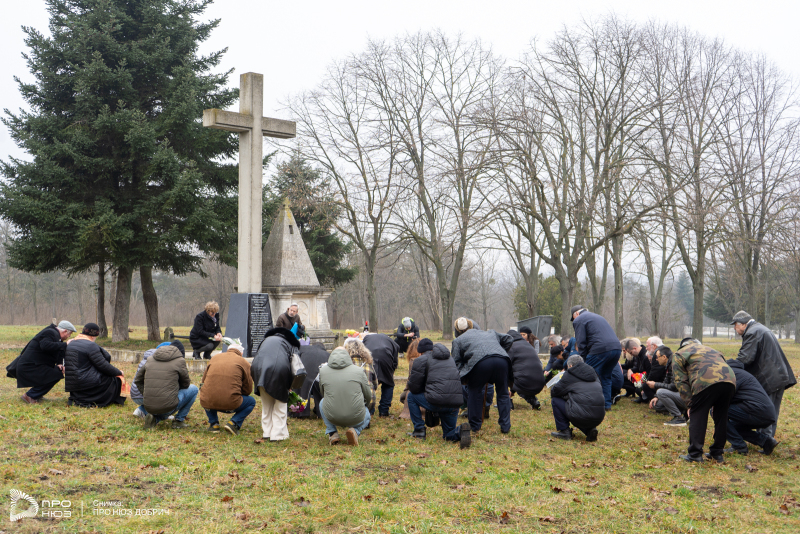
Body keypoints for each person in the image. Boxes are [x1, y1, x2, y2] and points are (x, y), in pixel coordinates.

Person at [731, 310, 796, 438]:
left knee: (765, 410)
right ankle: (768, 439)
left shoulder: (752, 332)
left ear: (743, 324)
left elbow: (745, 358)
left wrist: (727, 366)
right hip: (779, 375)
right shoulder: (759, 328)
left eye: (735, 325)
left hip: (768, 378)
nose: (734, 328)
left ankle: (765, 439)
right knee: (773, 410)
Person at [673, 338, 736, 463]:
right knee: (721, 416)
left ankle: (695, 454)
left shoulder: (679, 354)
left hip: (705, 380)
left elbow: (680, 381)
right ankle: (717, 453)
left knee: (698, 415)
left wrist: (690, 404)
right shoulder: (711, 349)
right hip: (729, 380)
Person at [451, 317, 513, 434]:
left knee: (474, 392)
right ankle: (505, 426)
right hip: (502, 361)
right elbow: (509, 339)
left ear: (457, 331)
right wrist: (500, 350)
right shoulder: (490, 332)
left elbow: (456, 362)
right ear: (471, 325)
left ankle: (475, 426)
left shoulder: (458, 341)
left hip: (480, 363)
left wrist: (465, 372)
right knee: (503, 393)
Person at [406, 339, 471, 448]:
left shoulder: (420, 360)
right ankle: (460, 431)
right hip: (454, 403)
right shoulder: (450, 359)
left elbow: (413, 388)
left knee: (411, 397)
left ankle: (419, 430)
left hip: (436, 401)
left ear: (420, 352)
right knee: (448, 434)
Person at [251, 327, 300, 442]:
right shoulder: (290, 343)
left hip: (257, 369)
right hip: (279, 370)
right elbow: (296, 365)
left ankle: (267, 432)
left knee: (266, 404)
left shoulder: (265, 340)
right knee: (280, 403)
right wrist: (290, 384)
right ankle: (278, 435)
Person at [134, 341, 197, 429]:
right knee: (194, 389)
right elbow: (186, 384)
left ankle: (154, 419)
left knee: (163, 406)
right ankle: (179, 420)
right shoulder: (180, 361)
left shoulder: (150, 359)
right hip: (168, 405)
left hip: (148, 406)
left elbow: (138, 380)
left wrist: (146, 394)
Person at [571, 306, 622, 410]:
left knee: (587, 376)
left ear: (576, 314)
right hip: (616, 348)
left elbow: (581, 342)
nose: (574, 321)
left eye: (573, 318)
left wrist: (583, 361)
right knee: (606, 377)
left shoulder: (579, 319)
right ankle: (606, 405)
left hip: (600, 349)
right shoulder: (598, 317)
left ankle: (588, 404)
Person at [318, 347, 372, 446]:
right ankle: (355, 431)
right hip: (356, 417)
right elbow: (368, 395)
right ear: (348, 356)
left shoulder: (323, 371)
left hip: (332, 416)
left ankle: (332, 433)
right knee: (367, 414)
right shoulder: (359, 371)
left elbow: (323, 392)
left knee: (322, 402)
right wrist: (365, 405)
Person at [64, 323, 126, 408]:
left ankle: (79, 398)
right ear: (93, 336)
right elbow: (103, 366)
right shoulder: (90, 345)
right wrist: (119, 372)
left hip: (73, 385)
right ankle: (100, 400)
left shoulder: (71, 343)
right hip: (86, 382)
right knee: (116, 379)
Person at [725, 359, 778, 456]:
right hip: (767, 414)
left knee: (718, 411)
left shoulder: (732, 375)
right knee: (733, 426)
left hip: (757, 411)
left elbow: (726, 397)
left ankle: (739, 446)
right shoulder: (743, 374)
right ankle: (766, 441)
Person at [199, 343, 256, 435]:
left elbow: (203, 381)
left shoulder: (214, 358)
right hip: (232, 403)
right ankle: (233, 423)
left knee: (206, 394)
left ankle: (214, 424)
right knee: (251, 402)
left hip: (209, 402)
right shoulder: (244, 362)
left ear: (228, 350)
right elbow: (248, 389)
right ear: (241, 353)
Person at [15, 320, 76, 404]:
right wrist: (65, 344)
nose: (69, 336)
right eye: (70, 334)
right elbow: (45, 345)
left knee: (57, 371)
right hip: (29, 367)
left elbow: (60, 350)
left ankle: (37, 395)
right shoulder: (49, 333)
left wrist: (59, 363)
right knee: (56, 374)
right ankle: (30, 395)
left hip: (36, 365)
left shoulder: (56, 335)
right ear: (65, 331)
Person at [549, 355, 605, 441]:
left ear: (571, 366)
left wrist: (565, 396)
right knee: (580, 409)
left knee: (556, 401)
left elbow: (554, 392)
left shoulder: (570, 374)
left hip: (581, 415)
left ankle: (565, 431)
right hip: (599, 416)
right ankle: (589, 430)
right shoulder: (593, 373)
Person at [647, 346, 687, 426]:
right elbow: (666, 381)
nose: (656, 359)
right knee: (657, 405)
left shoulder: (674, 365)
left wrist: (655, 384)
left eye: (658, 357)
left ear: (664, 357)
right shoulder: (670, 363)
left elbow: (673, 387)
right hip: (682, 395)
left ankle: (679, 417)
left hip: (686, 397)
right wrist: (656, 397)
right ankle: (684, 413)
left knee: (661, 392)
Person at [130, 341, 172, 418]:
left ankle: (141, 410)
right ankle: (163, 414)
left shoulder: (147, 358)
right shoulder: (160, 361)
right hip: (145, 396)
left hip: (134, 394)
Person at [362, 332, 400, 417]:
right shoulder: (392, 342)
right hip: (386, 356)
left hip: (369, 355)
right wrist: (390, 373)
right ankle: (384, 411)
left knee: (368, 383)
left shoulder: (366, 338)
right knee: (388, 384)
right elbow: (395, 361)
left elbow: (362, 351)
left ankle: (369, 410)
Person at [506, 329, 545, 410]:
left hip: (525, 383)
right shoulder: (528, 345)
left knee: (503, 375)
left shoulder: (511, 346)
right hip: (540, 383)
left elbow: (506, 365)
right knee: (522, 383)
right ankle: (534, 401)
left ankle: (507, 402)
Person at [290, 342, 330, 419]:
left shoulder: (304, 348)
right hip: (319, 377)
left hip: (303, 374)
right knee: (319, 388)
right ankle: (321, 411)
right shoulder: (327, 354)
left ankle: (298, 412)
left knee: (301, 388)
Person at [621, 338, 650, 403]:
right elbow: (638, 368)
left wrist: (645, 386)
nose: (631, 355)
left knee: (638, 389)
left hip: (647, 379)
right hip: (642, 378)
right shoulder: (638, 355)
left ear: (634, 348)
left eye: (631, 352)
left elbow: (649, 372)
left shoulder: (646, 356)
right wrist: (630, 370)